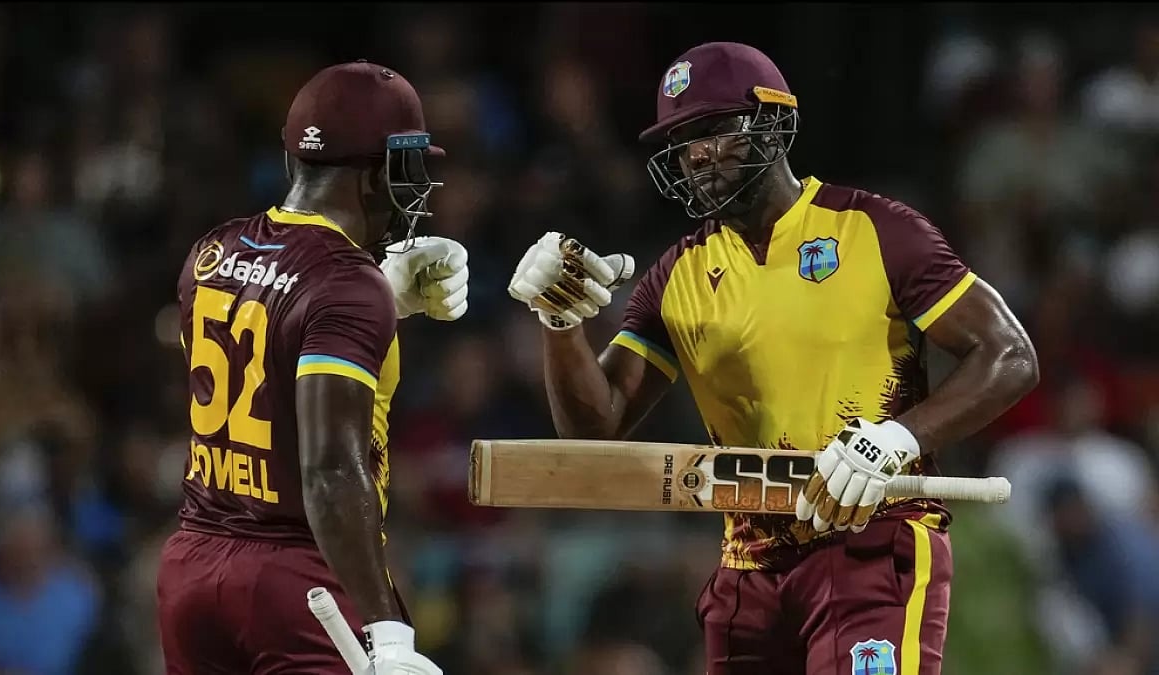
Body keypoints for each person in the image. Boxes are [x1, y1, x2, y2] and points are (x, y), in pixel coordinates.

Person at [508, 41, 1040, 675]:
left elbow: (1009, 355)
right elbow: (597, 428)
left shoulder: (877, 230)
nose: (695, 154)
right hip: (748, 570)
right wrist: (561, 322)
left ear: (771, 120)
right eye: (681, 140)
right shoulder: (673, 276)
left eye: (711, 129)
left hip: (874, 540)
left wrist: (896, 436)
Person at [156, 60, 468, 674]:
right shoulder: (348, 284)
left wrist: (382, 295)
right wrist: (388, 627)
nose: (418, 188)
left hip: (192, 563)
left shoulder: (211, 251)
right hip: (298, 580)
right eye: (410, 168)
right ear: (380, 175)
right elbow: (328, 468)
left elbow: (277, 344)